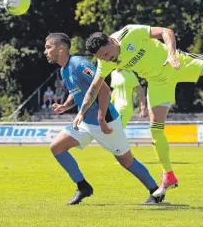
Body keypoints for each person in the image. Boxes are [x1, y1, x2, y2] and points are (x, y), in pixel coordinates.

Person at [81, 24, 203, 197]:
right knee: (155, 130)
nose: (106, 58)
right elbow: (93, 88)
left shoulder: (129, 33)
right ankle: (168, 175)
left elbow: (166, 31)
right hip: (157, 83)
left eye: (105, 53)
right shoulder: (104, 62)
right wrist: (81, 113)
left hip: (176, 63)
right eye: (101, 57)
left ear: (111, 41)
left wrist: (171, 54)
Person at [44, 32, 165, 205]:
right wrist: (65, 105)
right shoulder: (64, 70)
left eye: (48, 47)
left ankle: (156, 192)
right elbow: (78, 93)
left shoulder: (79, 64)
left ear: (61, 48)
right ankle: (83, 187)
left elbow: (104, 90)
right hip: (85, 122)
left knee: (126, 161)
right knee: (57, 147)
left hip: (105, 122)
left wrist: (101, 118)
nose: (45, 51)